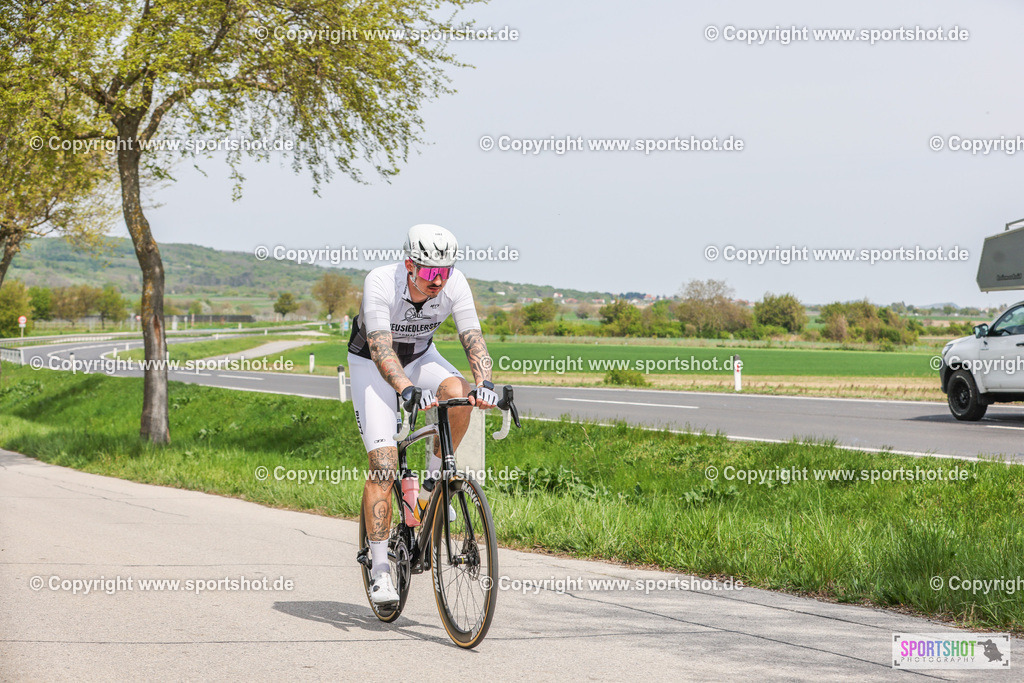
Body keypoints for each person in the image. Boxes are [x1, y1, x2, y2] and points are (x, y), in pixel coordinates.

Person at [347, 224, 498, 607]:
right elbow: (381, 349)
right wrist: (406, 390)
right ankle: (381, 567)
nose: (438, 281)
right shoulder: (381, 281)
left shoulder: (454, 283)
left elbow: (473, 338)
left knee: (459, 394)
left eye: (444, 273)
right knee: (384, 464)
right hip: (373, 364)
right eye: (430, 273)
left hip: (420, 356)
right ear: (410, 264)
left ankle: (432, 488)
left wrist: (485, 384)